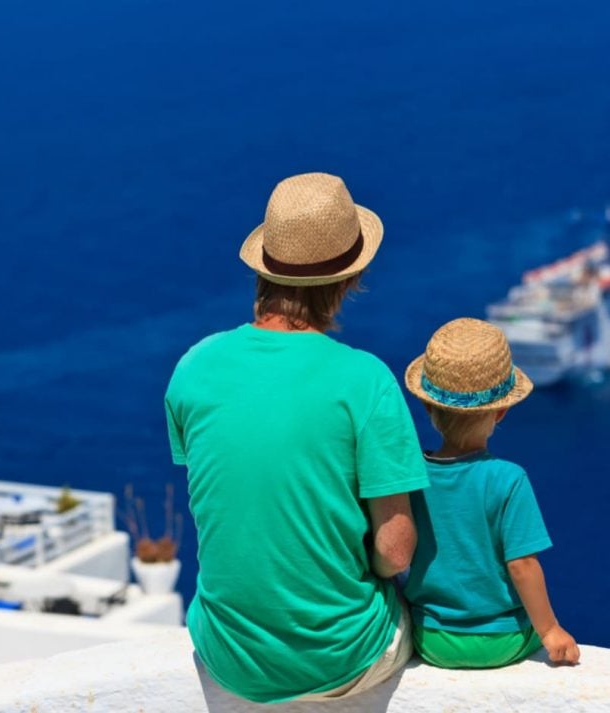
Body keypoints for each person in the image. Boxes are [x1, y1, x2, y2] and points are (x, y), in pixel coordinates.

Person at [164, 172, 429, 702]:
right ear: (349, 280)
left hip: (227, 653)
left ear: (264, 268)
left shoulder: (193, 369)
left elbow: (241, 499)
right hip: (343, 656)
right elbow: (396, 552)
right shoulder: (366, 380)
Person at [401, 317, 580, 669]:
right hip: (502, 640)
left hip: (431, 638)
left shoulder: (410, 475)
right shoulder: (508, 479)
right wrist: (550, 630)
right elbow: (523, 565)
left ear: (426, 406)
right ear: (502, 411)